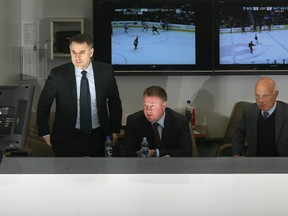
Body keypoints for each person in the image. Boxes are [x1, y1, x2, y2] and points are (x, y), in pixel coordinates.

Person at [37, 33, 122, 157]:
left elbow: (114, 102)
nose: (77, 57)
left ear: (91, 52)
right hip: (67, 138)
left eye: (82, 52)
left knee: (99, 175)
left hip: (99, 137)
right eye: (73, 52)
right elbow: (44, 104)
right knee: (67, 175)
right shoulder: (57, 74)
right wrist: (44, 132)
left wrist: (115, 129)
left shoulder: (106, 72)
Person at [124, 86, 193, 157]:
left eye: (153, 106)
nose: (148, 110)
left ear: (164, 106)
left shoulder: (180, 121)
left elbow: (186, 152)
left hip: (172, 166)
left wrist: (156, 153)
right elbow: (128, 152)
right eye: (145, 105)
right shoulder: (133, 121)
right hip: (142, 165)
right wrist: (138, 154)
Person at [232, 77, 288, 157]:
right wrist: (236, 154)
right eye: (257, 96)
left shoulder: (286, 112)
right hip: (255, 161)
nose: (261, 100)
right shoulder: (249, 112)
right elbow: (238, 134)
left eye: (265, 96)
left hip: (282, 161)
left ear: (275, 95)